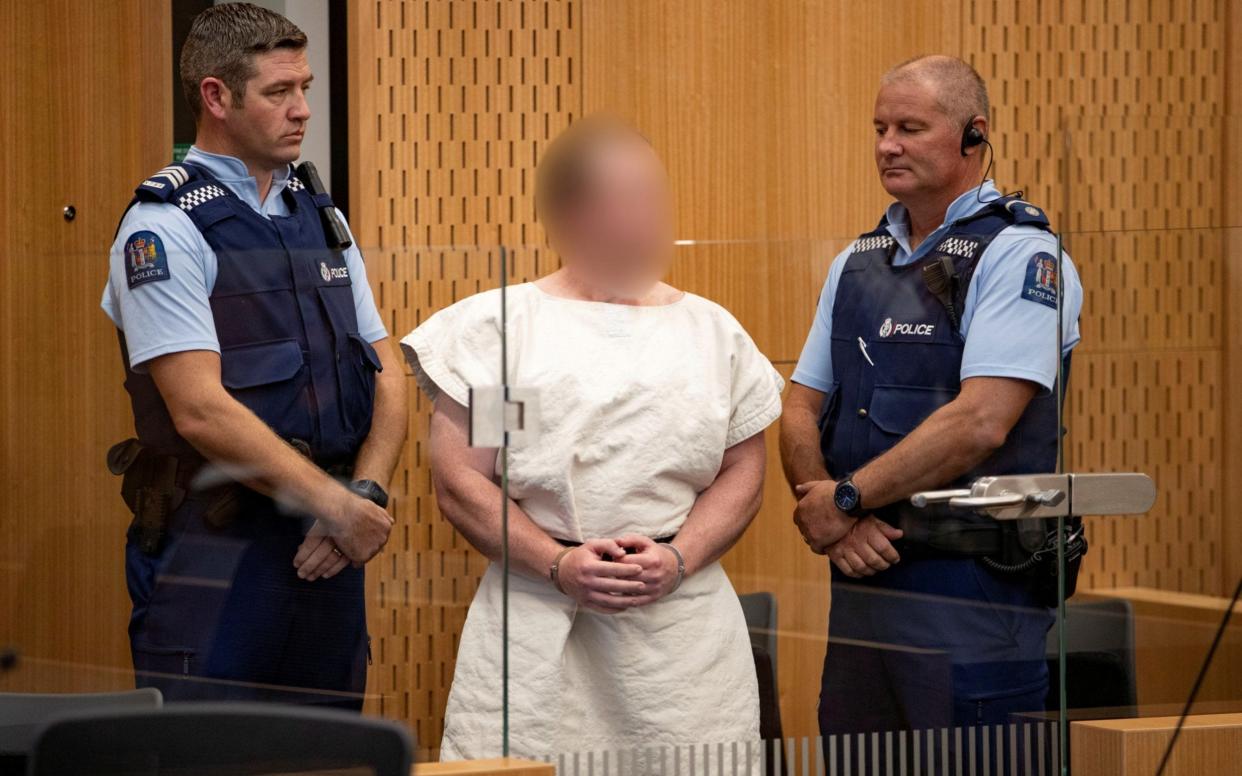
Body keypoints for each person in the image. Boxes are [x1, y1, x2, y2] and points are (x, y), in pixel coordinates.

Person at [402, 117, 784, 761]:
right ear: (571, 212)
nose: (646, 216)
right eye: (624, 197)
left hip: (682, 639)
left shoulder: (710, 333)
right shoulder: (512, 333)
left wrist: (680, 556)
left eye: (653, 196)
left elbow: (742, 473)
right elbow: (470, 478)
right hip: (536, 623)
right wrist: (558, 563)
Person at [101, 3, 407, 708]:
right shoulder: (164, 225)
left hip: (327, 547)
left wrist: (362, 499)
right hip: (218, 549)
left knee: (329, 756)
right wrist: (338, 507)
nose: (302, 109)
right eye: (279, 92)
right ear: (216, 97)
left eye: (304, 87)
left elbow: (386, 373)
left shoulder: (318, 214)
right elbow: (200, 410)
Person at [779, 55, 1084, 755]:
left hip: (972, 591)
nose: (887, 144)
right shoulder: (858, 259)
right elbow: (799, 409)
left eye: (910, 127)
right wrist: (831, 513)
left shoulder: (1019, 255)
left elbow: (982, 421)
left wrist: (848, 500)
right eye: (880, 127)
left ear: (973, 136)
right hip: (862, 577)